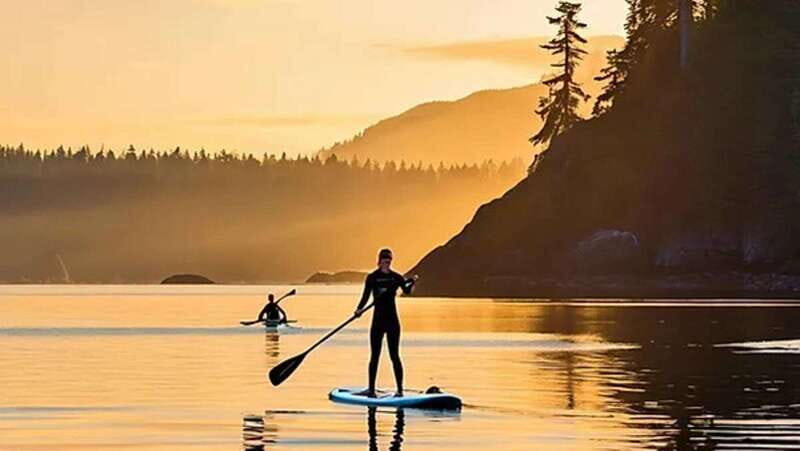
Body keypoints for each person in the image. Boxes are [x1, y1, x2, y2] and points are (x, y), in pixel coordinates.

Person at [354, 248, 417, 398]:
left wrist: (412, 284)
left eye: (389, 260)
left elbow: (406, 292)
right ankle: (371, 389)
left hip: (392, 321)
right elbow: (365, 296)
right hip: (377, 322)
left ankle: (400, 390)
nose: (386, 263)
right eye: (384, 260)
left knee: (394, 355)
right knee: (374, 356)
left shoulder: (396, 278)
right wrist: (359, 309)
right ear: (379, 261)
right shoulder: (372, 278)